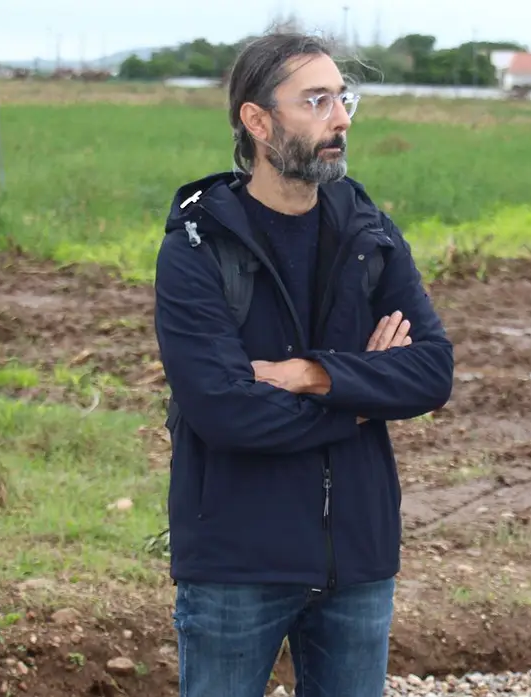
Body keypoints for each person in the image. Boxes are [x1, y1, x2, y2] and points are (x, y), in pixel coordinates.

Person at [152, 30, 455, 697]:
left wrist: (315, 375)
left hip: (359, 560)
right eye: (316, 101)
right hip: (236, 563)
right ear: (257, 122)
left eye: (342, 98)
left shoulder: (367, 228)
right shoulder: (198, 245)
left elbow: (433, 371)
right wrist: (364, 397)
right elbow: (224, 410)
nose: (340, 118)